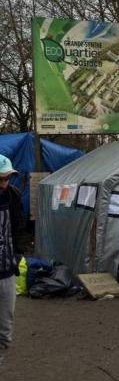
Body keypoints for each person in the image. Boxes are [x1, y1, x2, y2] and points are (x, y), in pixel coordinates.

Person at [0, 154, 25, 364]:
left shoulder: (13, 196)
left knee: (5, 334)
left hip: (7, 272)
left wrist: (17, 254)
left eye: (7, 178)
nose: (4, 183)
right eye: (0, 179)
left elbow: (18, 228)